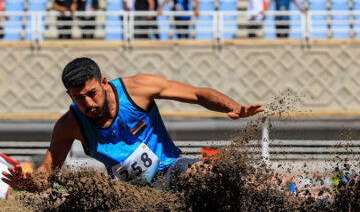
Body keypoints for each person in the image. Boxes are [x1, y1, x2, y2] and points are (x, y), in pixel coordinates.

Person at [2, 57, 264, 192]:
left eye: (92, 93)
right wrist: (29, 184)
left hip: (171, 168)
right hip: (128, 193)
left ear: (104, 82)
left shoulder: (137, 89)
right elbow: (47, 174)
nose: (88, 104)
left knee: (206, 173)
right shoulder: (69, 124)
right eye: (78, 98)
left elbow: (196, 94)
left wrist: (233, 107)